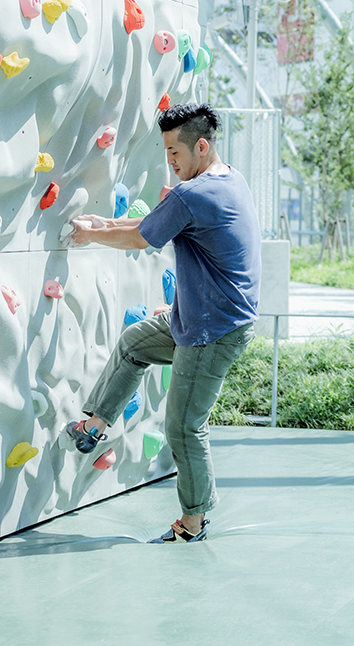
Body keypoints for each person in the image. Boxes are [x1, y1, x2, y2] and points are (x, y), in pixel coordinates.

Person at [64, 102, 260, 543]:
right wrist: (106, 221)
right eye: (166, 152)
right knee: (135, 343)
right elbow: (157, 222)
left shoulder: (196, 195)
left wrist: (93, 233)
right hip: (201, 317)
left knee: (184, 426)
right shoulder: (229, 180)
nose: (169, 162)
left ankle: (194, 521)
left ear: (202, 146)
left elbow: (141, 237)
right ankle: (95, 425)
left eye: (175, 152)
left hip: (213, 329)